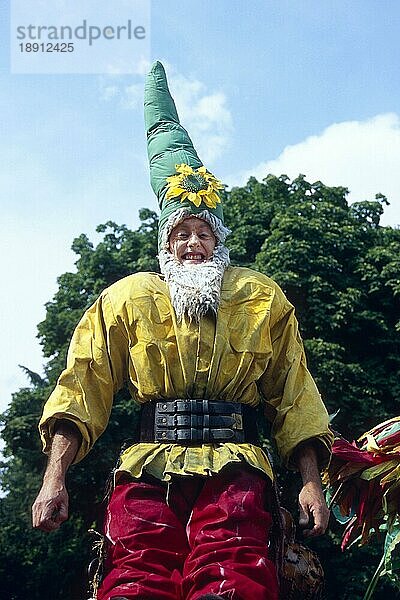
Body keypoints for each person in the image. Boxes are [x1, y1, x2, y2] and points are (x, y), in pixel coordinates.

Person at [32, 62, 333, 600]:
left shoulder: (262, 297)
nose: (192, 243)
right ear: (166, 245)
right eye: (181, 233)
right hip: (147, 468)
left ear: (218, 242)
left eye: (203, 233)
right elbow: (83, 386)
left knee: (235, 580)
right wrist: (55, 477)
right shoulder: (125, 298)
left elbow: (294, 393)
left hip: (237, 470)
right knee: (134, 580)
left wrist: (311, 481)